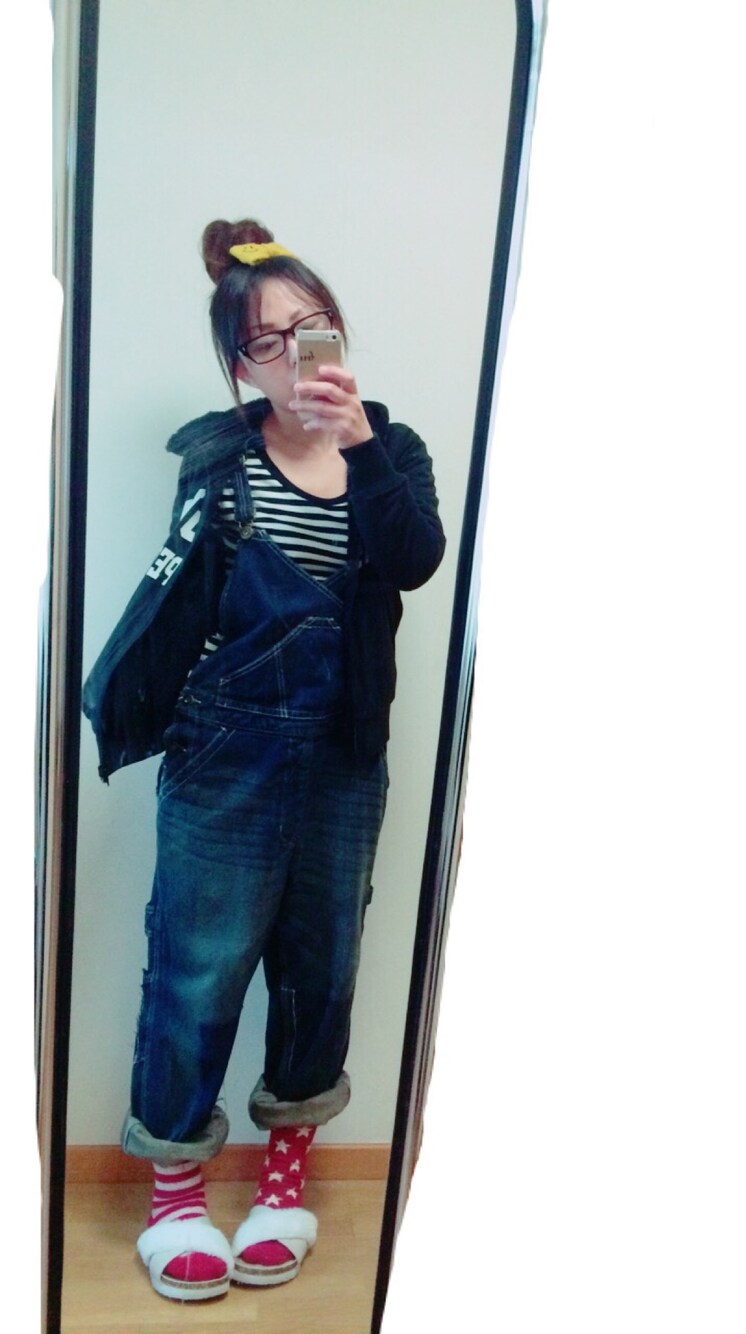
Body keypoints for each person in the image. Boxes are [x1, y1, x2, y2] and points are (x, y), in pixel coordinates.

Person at [82, 218, 445, 1302]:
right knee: (197, 973)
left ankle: (284, 1185)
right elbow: (182, 602)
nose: (294, 355)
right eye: (266, 341)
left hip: (344, 754)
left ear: (338, 332)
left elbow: (415, 560)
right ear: (240, 365)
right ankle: (175, 1198)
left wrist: (360, 445)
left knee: (320, 967)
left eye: (310, 328)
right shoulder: (217, 456)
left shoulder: (394, 450)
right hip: (225, 749)